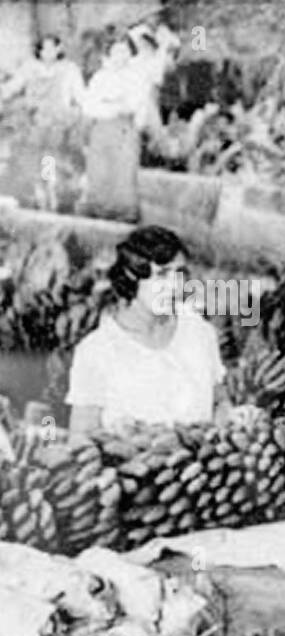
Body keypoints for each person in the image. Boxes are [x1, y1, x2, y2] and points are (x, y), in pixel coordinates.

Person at [67, 226, 229, 436]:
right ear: (131, 275)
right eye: (161, 274)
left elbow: (219, 401)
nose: (174, 286)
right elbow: (81, 438)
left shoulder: (198, 331)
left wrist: (228, 419)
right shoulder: (96, 351)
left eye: (179, 273)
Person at [0, 35, 86, 209]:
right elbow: (11, 88)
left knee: (50, 158)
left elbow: (81, 95)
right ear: (39, 50)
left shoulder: (69, 69)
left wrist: (82, 111)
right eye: (44, 49)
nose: (48, 53)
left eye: (52, 48)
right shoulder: (30, 67)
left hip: (56, 122)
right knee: (28, 157)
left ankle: (51, 195)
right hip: (32, 121)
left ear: (59, 49)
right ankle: (35, 194)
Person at [80, 31, 154, 222]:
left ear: (131, 53)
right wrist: (112, 106)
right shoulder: (99, 78)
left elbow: (136, 105)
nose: (121, 56)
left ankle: (124, 217)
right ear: (108, 55)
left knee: (123, 174)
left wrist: (115, 106)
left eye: (125, 51)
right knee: (99, 172)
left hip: (125, 130)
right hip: (101, 130)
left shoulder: (137, 77)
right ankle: (97, 214)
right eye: (116, 52)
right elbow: (89, 106)